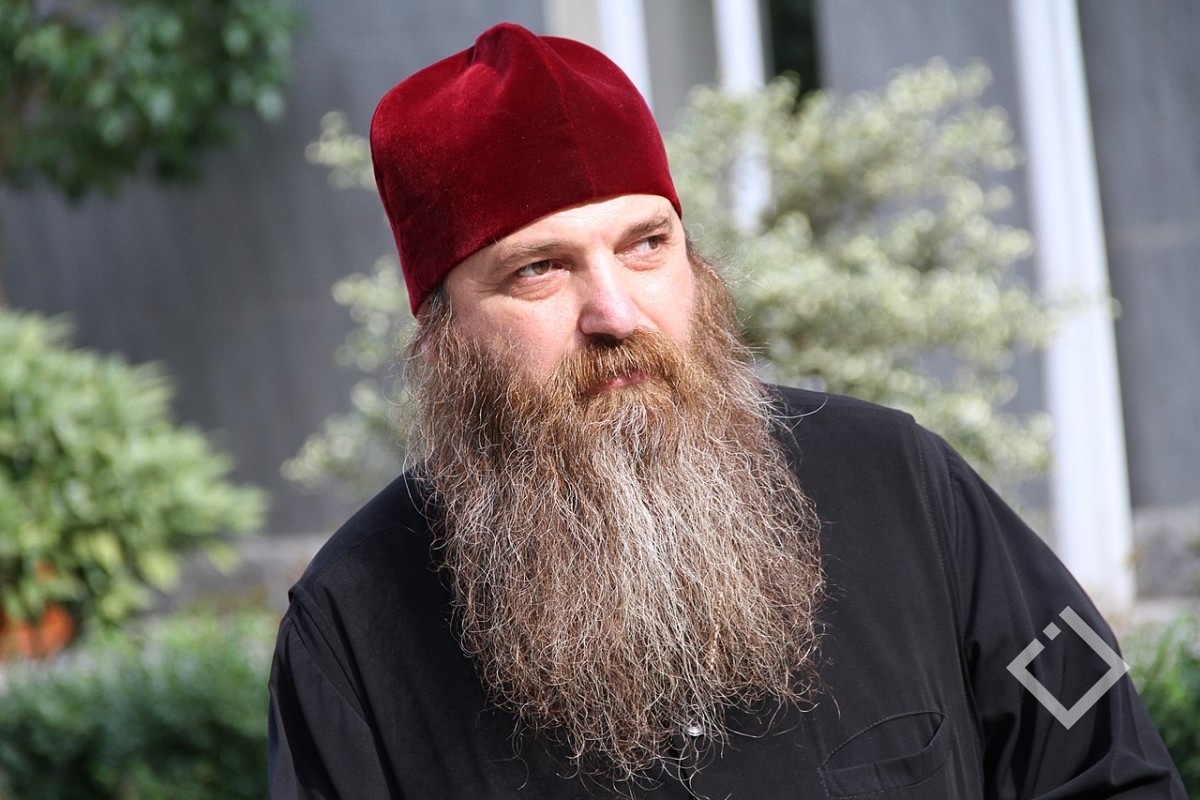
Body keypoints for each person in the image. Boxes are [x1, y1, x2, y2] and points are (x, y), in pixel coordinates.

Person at [268, 22, 1185, 799]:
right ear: (441, 336)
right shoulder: (352, 628)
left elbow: (1110, 770)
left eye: (646, 244)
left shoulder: (904, 484)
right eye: (539, 269)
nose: (615, 313)